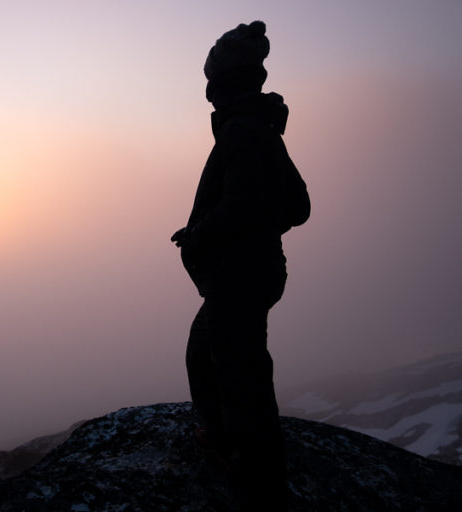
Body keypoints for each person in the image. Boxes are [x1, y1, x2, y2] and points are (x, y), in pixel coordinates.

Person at [171, 20, 310, 512]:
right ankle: (230, 445)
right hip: (252, 270)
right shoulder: (259, 129)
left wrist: (200, 232)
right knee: (206, 354)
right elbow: (295, 206)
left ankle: (257, 482)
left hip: (241, 274)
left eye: (212, 85)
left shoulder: (244, 131)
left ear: (222, 85)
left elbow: (251, 204)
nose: (208, 95)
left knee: (240, 374)